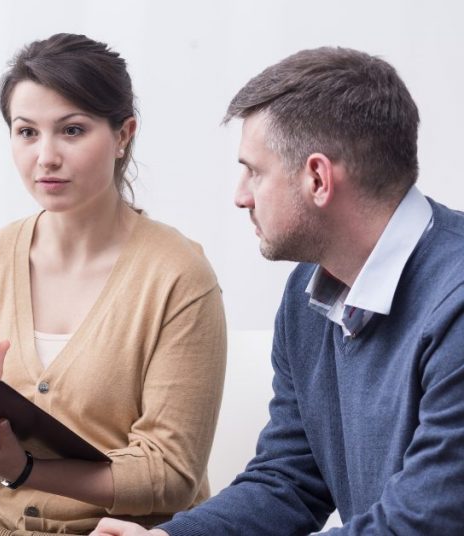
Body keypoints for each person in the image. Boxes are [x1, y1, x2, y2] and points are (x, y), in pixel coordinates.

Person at [90, 47, 464, 536]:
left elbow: (423, 525)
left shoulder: (454, 305)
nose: (240, 195)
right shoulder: (307, 294)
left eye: (254, 171)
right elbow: (288, 481)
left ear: (317, 178)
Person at [0, 33, 227, 535]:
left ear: (123, 134)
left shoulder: (178, 276)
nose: (46, 157)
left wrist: (26, 470)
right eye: (27, 132)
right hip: (0, 524)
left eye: (72, 131)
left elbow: (170, 476)